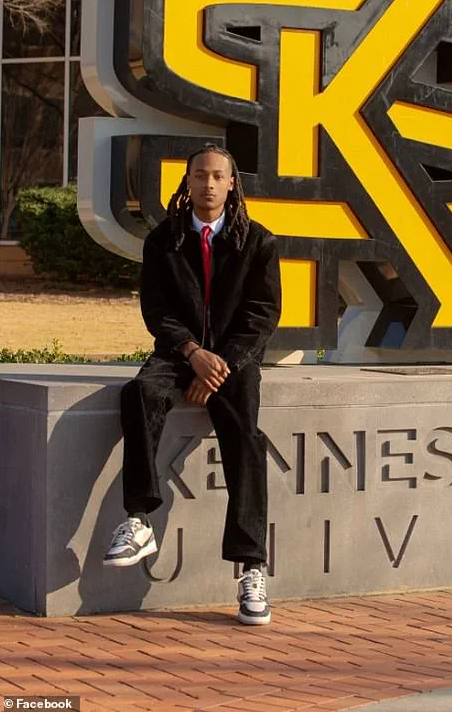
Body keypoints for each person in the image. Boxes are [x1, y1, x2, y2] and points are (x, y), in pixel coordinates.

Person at [103, 143, 282, 626]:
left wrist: (219, 364)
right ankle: (139, 519)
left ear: (231, 184)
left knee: (245, 434)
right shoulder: (164, 240)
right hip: (179, 353)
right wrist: (192, 354)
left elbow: (263, 315)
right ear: (187, 182)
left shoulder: (258, 242)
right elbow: (156, 311)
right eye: (199, 175)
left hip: (233, 360)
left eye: (217, 175)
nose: (207, 183)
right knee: (139, 394)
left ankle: (252, 567)